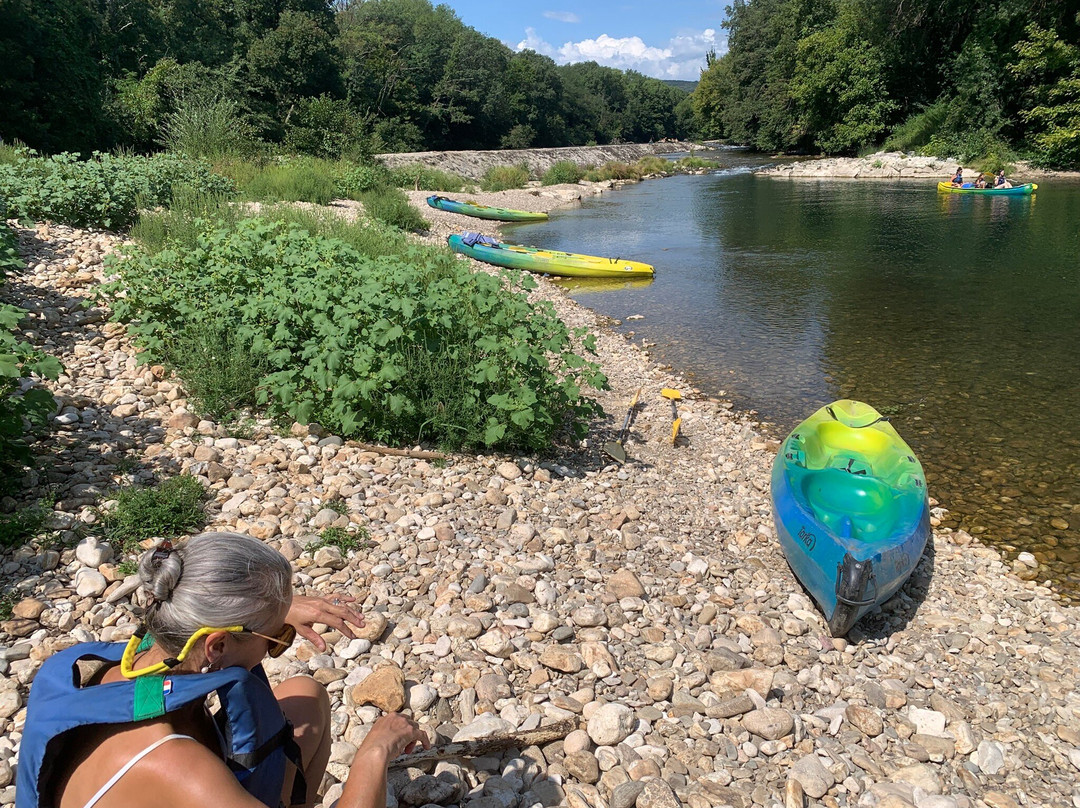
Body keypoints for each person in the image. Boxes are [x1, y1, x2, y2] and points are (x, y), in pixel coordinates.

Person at [17, 532, 429, 808]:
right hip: (176, 777)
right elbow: (184, 768)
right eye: (275, 640)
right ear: (216, 644)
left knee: (305, 694)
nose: (274, 648)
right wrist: (375, 754)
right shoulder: (176, 763)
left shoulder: (131, 655)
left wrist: (278, 609)